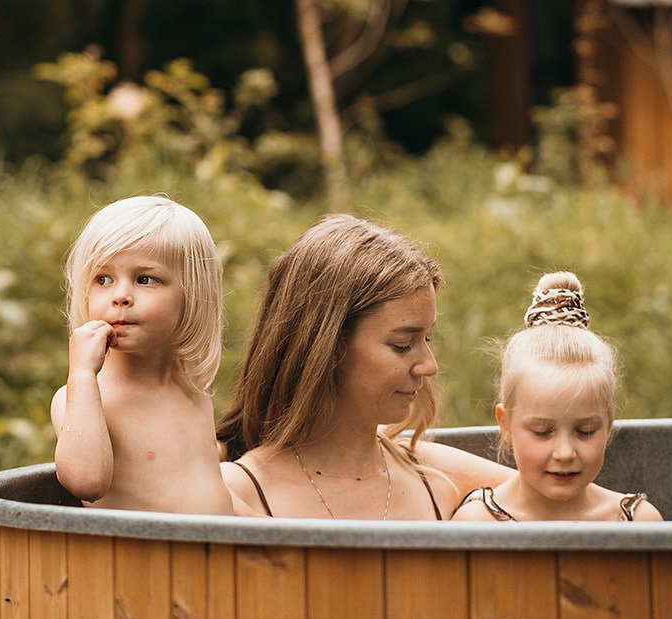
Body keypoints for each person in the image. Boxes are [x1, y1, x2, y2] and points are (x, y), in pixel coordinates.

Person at [217, 213, 510, 519]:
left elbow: (553, 506)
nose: (428, 365)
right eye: (402, 344)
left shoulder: (435, 474)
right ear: (326, 347)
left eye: (428, 338)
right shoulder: (238, 492)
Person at [51, 195, 234, 514]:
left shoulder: (191, 389)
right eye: (103, 279)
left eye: (144, 279)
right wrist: (81, 374)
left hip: (214, 556)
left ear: (192, 296)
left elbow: (204, 485)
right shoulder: (82, 398)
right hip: (144, 560)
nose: (120, 296)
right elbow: (86, 483)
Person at [452, 271, 662, 522]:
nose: (565, 453)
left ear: (608, 425)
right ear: (505, 425)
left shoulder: (638, 523)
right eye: (542, 431)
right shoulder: (478, 524)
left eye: (585, 431)